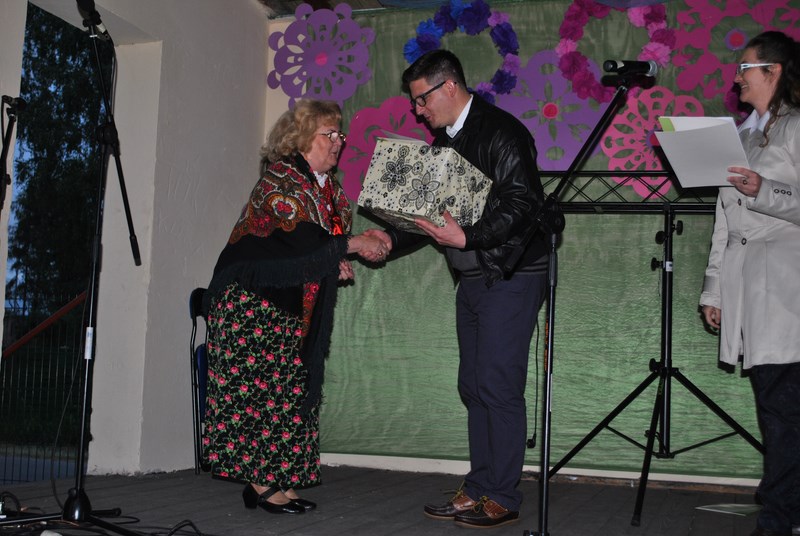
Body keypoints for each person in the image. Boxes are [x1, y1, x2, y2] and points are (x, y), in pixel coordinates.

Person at [367, 49, 549, 528]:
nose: (418, 110)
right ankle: (480, 486)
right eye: (414, 102)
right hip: (474, 276)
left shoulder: (503, 132)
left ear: (449, 86)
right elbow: (431, 218)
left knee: (497, 385)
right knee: (473, 384)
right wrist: (391, 237)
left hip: (511, 274)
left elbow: (524, 204)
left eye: (422, 99)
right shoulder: (445, 141)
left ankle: (503, 496)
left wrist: (469, 237)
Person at [201, 99, 388, 515]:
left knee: (286, 391)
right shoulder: (281, 179)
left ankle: (277, 477)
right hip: (251, 301)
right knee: (258, 391)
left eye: (340, 134)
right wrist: (354, 245)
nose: (338, 141)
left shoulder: (330, 191)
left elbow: (319, 248)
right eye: (329, 134)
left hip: (288, 306)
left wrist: (337, 259)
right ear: (301, 138)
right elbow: (298, 238)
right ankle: (260, 481)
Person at [699, 31, 800, 536]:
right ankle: (784, 508)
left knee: (784, 411)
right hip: (746, 283)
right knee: (775, 406)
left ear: (774, 71)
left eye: (745, 67)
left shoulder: (797, 127)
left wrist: (766, 190)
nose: (737, 77)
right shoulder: (739, 136)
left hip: (786, 284)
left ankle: (779, 517)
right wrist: (713, 289)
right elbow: (725, 219)